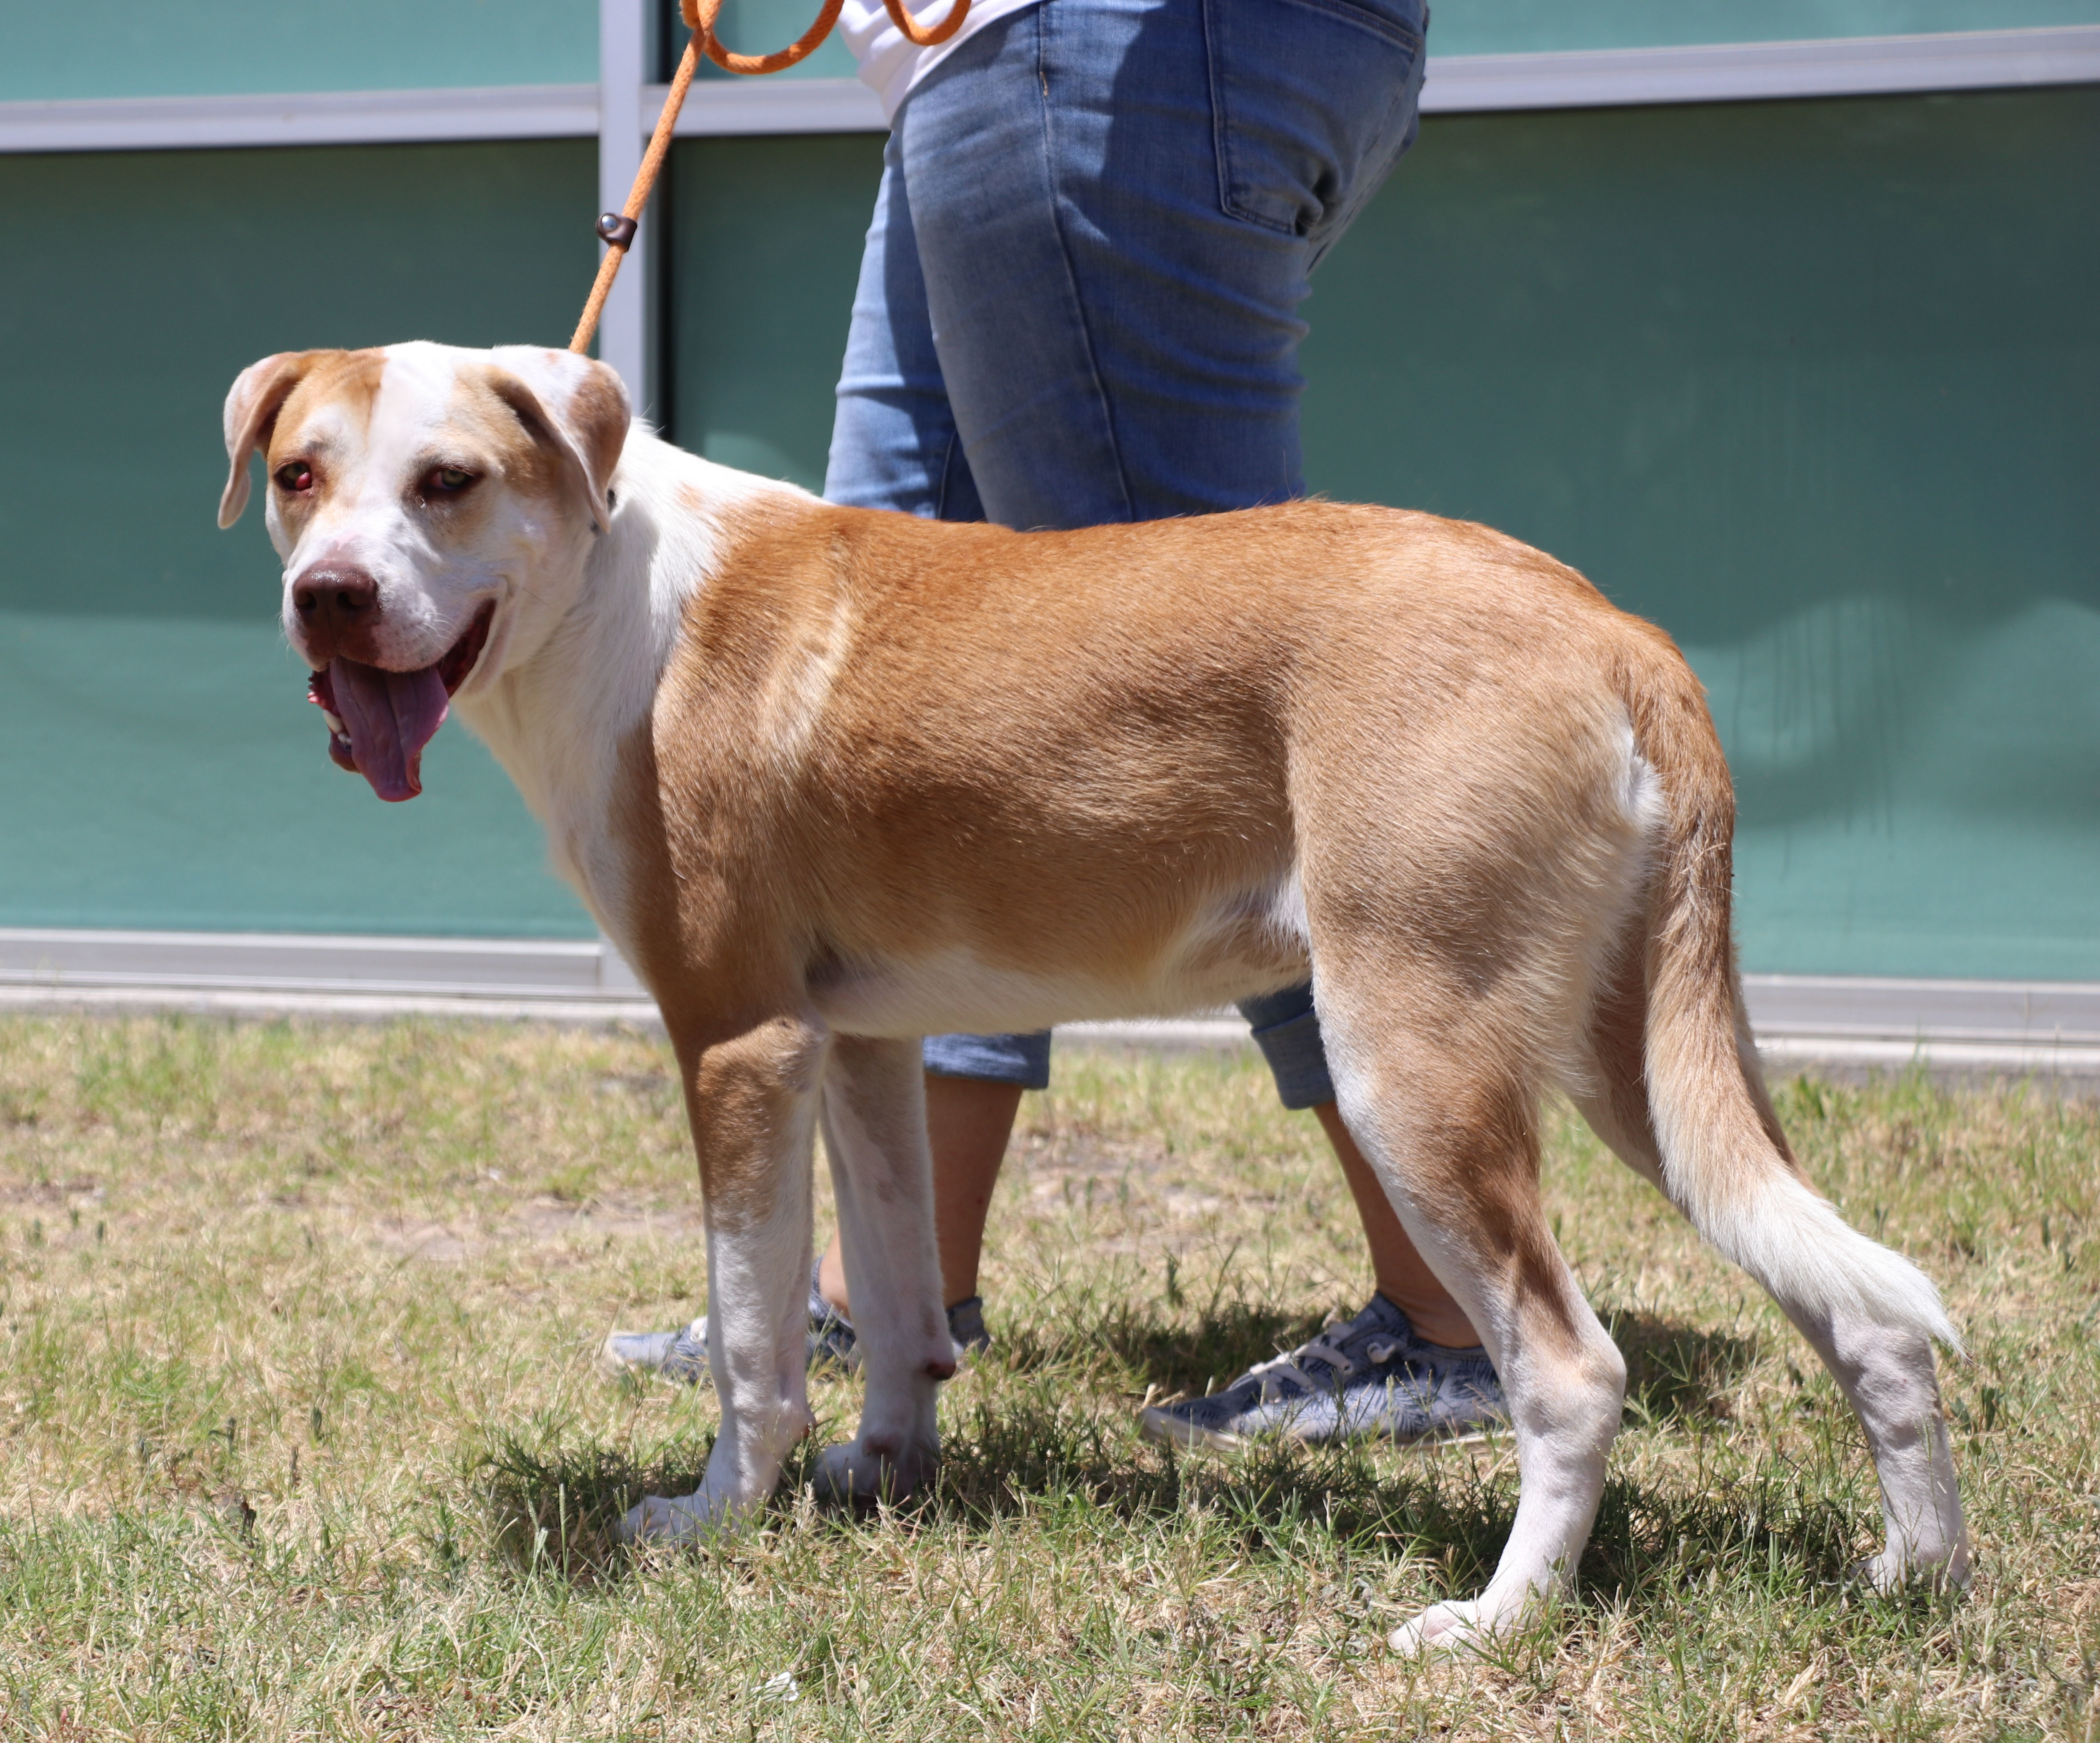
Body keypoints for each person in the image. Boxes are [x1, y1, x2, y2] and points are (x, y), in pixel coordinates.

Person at [604, 0, 1505, 1447]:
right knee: (895, 746)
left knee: (1217, 715)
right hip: (982, 66)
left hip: (1096, 47)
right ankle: (894, 1294)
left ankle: (1452, 1313)